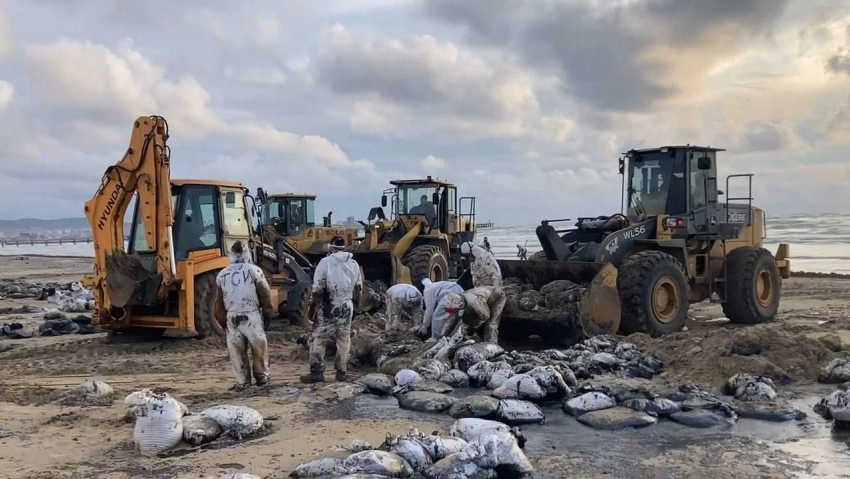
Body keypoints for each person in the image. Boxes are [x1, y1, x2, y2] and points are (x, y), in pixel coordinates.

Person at [214, 241, 277, 390]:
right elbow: (265, 294)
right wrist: (268, 312)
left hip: (232, 316)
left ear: (231, 254)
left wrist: (221, 317)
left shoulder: (222, 274)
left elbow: (219, 300)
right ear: (247, 253)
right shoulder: (255, 271)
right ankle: (262, 377)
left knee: (236, 350)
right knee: (259, 346)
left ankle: (242, 381)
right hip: (251, 315)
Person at [300, 245, 361, 383]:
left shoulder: (325, 262)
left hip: (328, 305)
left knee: (318, 338)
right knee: (344, 338)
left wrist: (313, 305)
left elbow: (318, 287)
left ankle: (317, 372)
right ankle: (341, 372)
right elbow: (358, 287)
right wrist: (356, 307)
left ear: (332, 249)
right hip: (347, 305)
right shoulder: (353, 263)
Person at [440, 286, 506, 343]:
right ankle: (480, 339)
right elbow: (451, 320)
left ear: (460, 306)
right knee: (467, 321)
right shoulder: (455, 302)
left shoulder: (474, 303)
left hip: (497, 297)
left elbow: (485, 316)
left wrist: (473, 328)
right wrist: (444, 335)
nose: (453, 313)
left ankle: (492, 346)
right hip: (482, 302)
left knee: (490, 324)